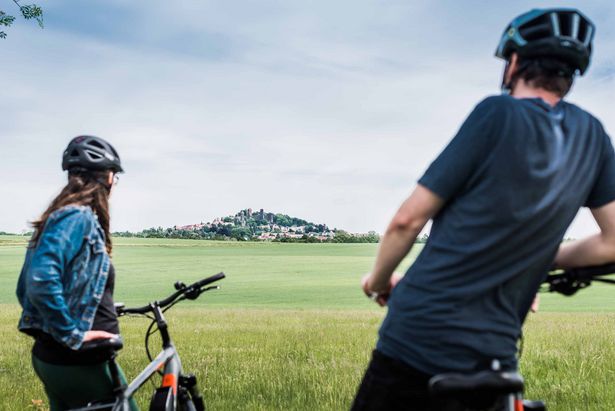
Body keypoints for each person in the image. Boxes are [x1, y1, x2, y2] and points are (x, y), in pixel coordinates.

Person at [352, 8, 615, 411]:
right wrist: (535, 259)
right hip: (494, 357)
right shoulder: (593, 135)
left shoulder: (497, 113)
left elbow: (408, 220)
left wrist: (379, 280)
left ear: (514, 63)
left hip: (417, 343)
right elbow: (612, 242)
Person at [16, 136, 137, 410]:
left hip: (55, 356)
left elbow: (24, 289)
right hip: (79, 360)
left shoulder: (58, 217)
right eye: (114, 176)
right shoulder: (77, 217)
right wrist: (72, 334)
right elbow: (40, 281)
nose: (114, 183)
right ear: (106, 177)